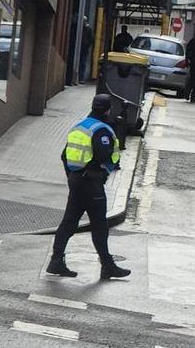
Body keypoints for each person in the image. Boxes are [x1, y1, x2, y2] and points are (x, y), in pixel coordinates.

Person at [47, 94, 131, 279]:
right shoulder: (101, 130)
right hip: (91, 183)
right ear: (108, 110)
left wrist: (72, 176)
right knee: (100, 225)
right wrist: (102, 173)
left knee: (69, 222)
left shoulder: (80, 126)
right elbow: (103, 155)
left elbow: (64, 156)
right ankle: (107, 266)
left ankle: (56, 261)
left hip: (77, 180)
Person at [79, 18, 93, 83]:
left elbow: (91, 39)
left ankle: (81, 78)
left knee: (83, 63)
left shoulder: (88, 29)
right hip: (81, 48)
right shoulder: (82, 28)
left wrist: (86, 45)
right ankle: (80, 77)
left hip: (84, 48)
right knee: (81, 62)